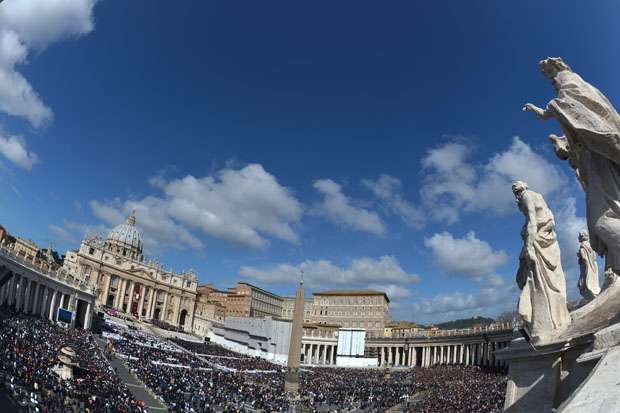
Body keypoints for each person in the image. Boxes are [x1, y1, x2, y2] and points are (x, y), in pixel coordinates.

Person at [524, 57, 620, 281]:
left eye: (553, 79)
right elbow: (560, 113)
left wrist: (552, 107)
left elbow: (572, 106)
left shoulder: (571, 84)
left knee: (602, 222)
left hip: (599, 156)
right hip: (594, 158)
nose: (554, 84)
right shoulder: (575, 90)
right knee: (603, 220)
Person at [513, 181, 569, 343]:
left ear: (519, 191)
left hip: (536, 241)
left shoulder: (526, 196)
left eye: (515, 191)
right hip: (547, 237)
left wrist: (529, 246)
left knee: (535, 281)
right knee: (552, 281)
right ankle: (557, 319)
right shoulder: (539, 196)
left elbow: (532, 220)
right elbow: (550, 218)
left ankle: (541, 324)